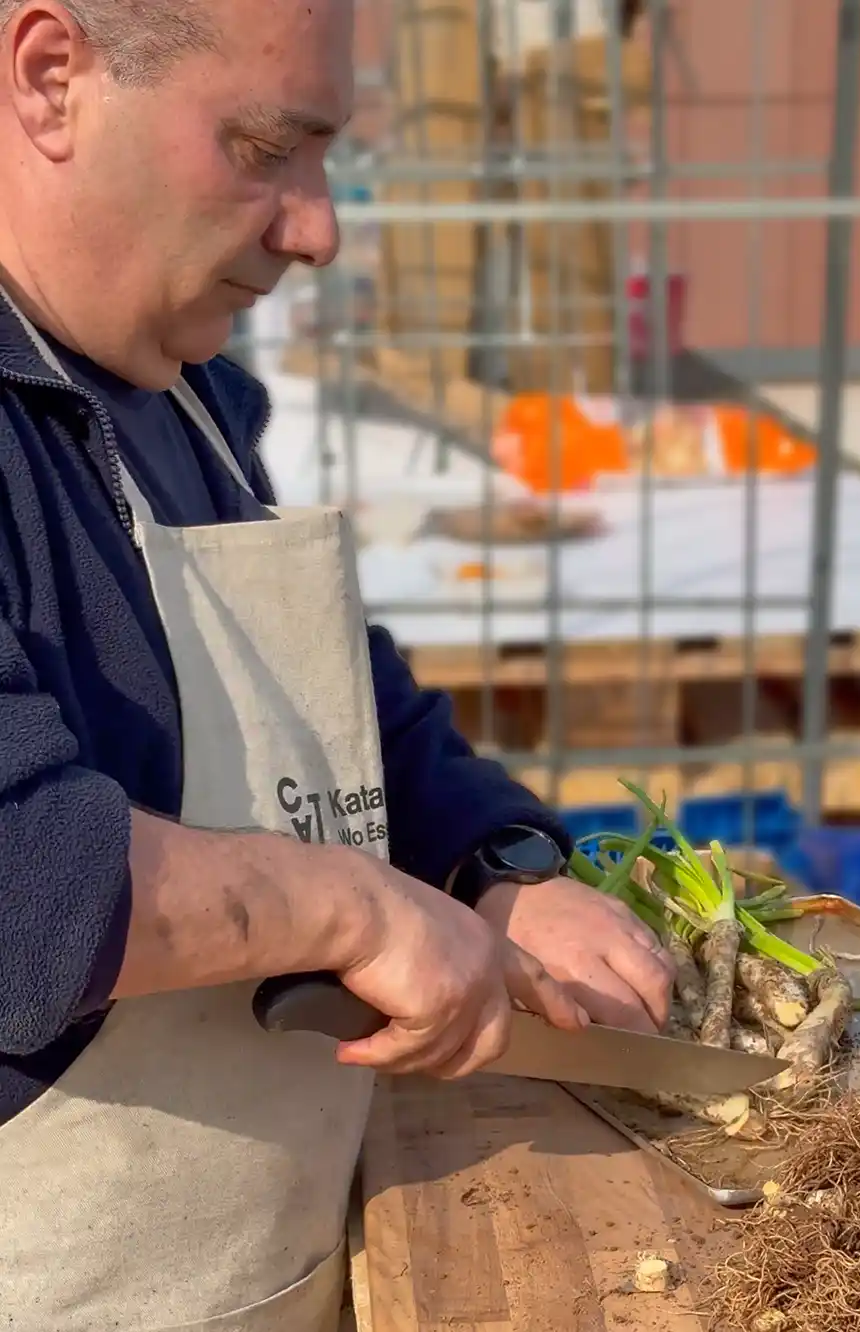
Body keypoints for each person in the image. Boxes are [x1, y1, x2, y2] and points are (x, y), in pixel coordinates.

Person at [0, 1, 675, 1327]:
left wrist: (495, 866)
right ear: (51, 79)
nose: (318, 231)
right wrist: (356, 912)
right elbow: (23, 882)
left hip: (270, 1273)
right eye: (264, 149)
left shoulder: (178, 387)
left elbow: (328, 687)